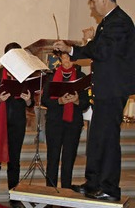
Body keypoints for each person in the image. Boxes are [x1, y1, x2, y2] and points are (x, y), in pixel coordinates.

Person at [53, 0, 135, 201]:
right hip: (105, 89)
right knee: (98, 137)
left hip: (113, 89)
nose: (91, 5)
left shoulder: (119, 22)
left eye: (92, 0)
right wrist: (72, 48)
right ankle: (93, 183)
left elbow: (102, 52)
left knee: (108, 138)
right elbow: (95, 49)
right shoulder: (107, 22)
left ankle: (109, 188)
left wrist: (75, 47)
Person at [0, 43, 33, 208]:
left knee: (15, 160)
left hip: (17, 122)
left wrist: (28, 100)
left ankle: (14, 196)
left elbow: (30, 102)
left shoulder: (25, 75)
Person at [42, 52, 90, 191]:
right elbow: (45, 100)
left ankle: (66, 192)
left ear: (74, 61)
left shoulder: (81, 78)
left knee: (68, 159)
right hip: (54, 122)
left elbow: (86, 103)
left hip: (73, 123)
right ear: (60, 60)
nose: (66, 61)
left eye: (69, 59)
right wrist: (59, 101)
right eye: (63, 59)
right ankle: (50, 192)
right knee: (53, 158)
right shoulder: (51, 77)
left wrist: (76, 101)